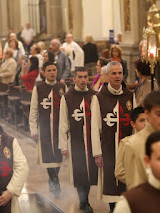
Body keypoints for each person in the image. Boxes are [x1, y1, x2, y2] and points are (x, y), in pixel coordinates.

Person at [90, 61, 134, 212]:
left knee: (126, 182)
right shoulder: (99, 97)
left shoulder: (130, 96)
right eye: (113, 73)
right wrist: (97, 153)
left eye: (119, 73)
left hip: (126, 148)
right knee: (110, 182)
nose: (117, 76)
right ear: (107, 76)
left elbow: (134, 124)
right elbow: (94, 128)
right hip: (107, 148)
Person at [59, 67, 97, 213]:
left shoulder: (94, 95)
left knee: (90, 172)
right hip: (75, 141)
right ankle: (84, 202)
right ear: (74, 79)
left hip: (92, 140)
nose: (82, 80)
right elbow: (63, 123)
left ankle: (84, 200)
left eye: (85, 77)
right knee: (80, 172)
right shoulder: (67, 97)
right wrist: (63, 145)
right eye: (79, 77)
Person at [29, 61, 66, 196]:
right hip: (44, 127)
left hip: (59, 127)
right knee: (47, 155)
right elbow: (33, 110)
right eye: (49, 70)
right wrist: (33, 129)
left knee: (58, 155)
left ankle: (54, 178)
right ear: (43, 72)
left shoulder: (62, 87)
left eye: (54, 70)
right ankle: (54, 179)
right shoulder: (38, 88)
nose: (52, 73)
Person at [115, 107, 146, 184]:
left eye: (148, 120)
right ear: (133, 124)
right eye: (141, 121)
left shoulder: (157, 141)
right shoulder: (126, 143)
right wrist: (139, 180)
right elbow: (119, 172)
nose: (145, 124)